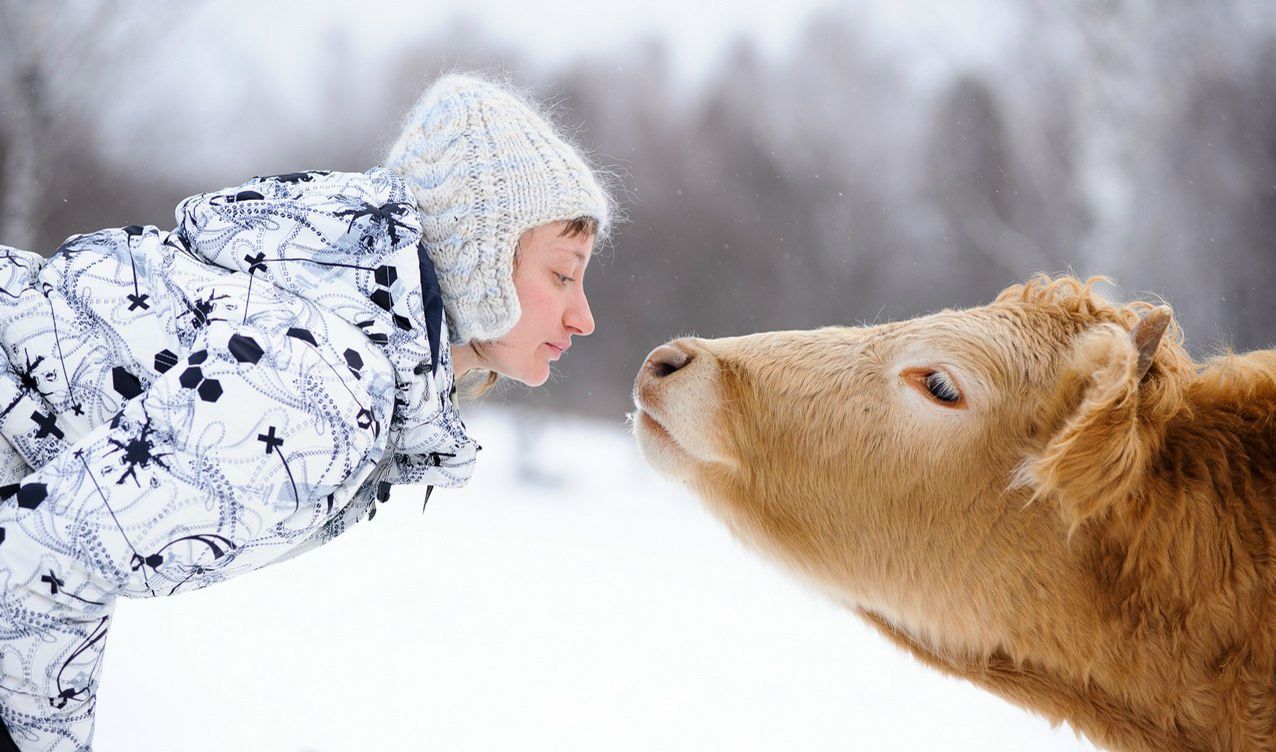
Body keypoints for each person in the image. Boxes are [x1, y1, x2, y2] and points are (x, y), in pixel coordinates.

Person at [0, 72, 612, 751]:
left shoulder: (334, 342)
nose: (583, 317)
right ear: (480, 262)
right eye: (563, 274)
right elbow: (41, 559)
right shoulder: (323, 386)